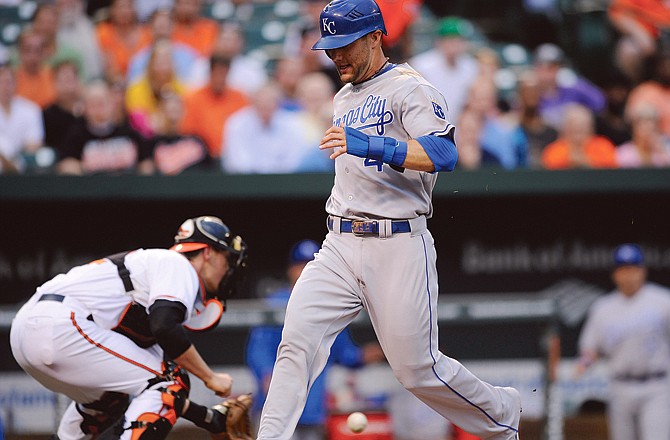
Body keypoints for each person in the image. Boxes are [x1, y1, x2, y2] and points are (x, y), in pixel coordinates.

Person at [256, 1, 521, 439]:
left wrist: (372, 144)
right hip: (339, 241)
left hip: (396, 239)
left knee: (417, 371)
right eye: (330, 46)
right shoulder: (342, 96)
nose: (336, 55)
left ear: (376, 36)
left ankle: (500, 415)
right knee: (296, 343)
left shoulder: (409, 88)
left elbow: (444, 155)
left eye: (345, 44)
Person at [9, 215, 254, 439]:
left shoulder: (156, 275)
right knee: (170, 378)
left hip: (31, 329)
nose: (229, 268)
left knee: (115, 398)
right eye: (227, 258)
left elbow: (164, 393)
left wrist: (210, 419)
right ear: (208, 252)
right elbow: (165, 327)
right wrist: (210, 377)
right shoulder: (178, 264)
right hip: (61, 324)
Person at [246, 239, 384, 439]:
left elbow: (343, 353)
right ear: (290, 270)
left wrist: (365, 355)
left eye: (310, 264)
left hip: (313, 409)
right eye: (300, 265)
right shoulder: (275, 303)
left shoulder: (329, 305)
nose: (304, 270)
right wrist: (267, 373)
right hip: (278, 406)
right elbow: (257, 350)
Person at [576, 243, 670, 440]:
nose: (628, 274)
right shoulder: (603, 308)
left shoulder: (662, 301)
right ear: (615, 274)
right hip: (620, 386)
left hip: (656, 384)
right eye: (623, 269)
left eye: (633, 268)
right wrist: (584, 364)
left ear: (642, 271)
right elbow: (590, 348)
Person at [409, 16, 479, 123]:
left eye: (459, 40)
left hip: (460, 127)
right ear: (439, 41)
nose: (455, 44)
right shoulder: (421, 65)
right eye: (450, 39)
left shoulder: (471, 67)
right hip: (429, 124)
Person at [180, 53, 249, 159]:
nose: (220, 79)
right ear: (210, 72)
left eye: (223, 74)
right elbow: (188, 132)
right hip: (202, 157)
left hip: (233, 156)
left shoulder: (239, 98)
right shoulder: (193, 98)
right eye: (217, 73)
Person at [541, 103, 618, 169]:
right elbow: (550, 165)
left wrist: (586, 161)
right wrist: (571, 161)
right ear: (565, 128)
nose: (578, 129)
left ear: (591, 127)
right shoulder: (554, 149)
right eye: (573, 125)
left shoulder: (603, 145)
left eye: (582, 126)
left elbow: (611, 167)